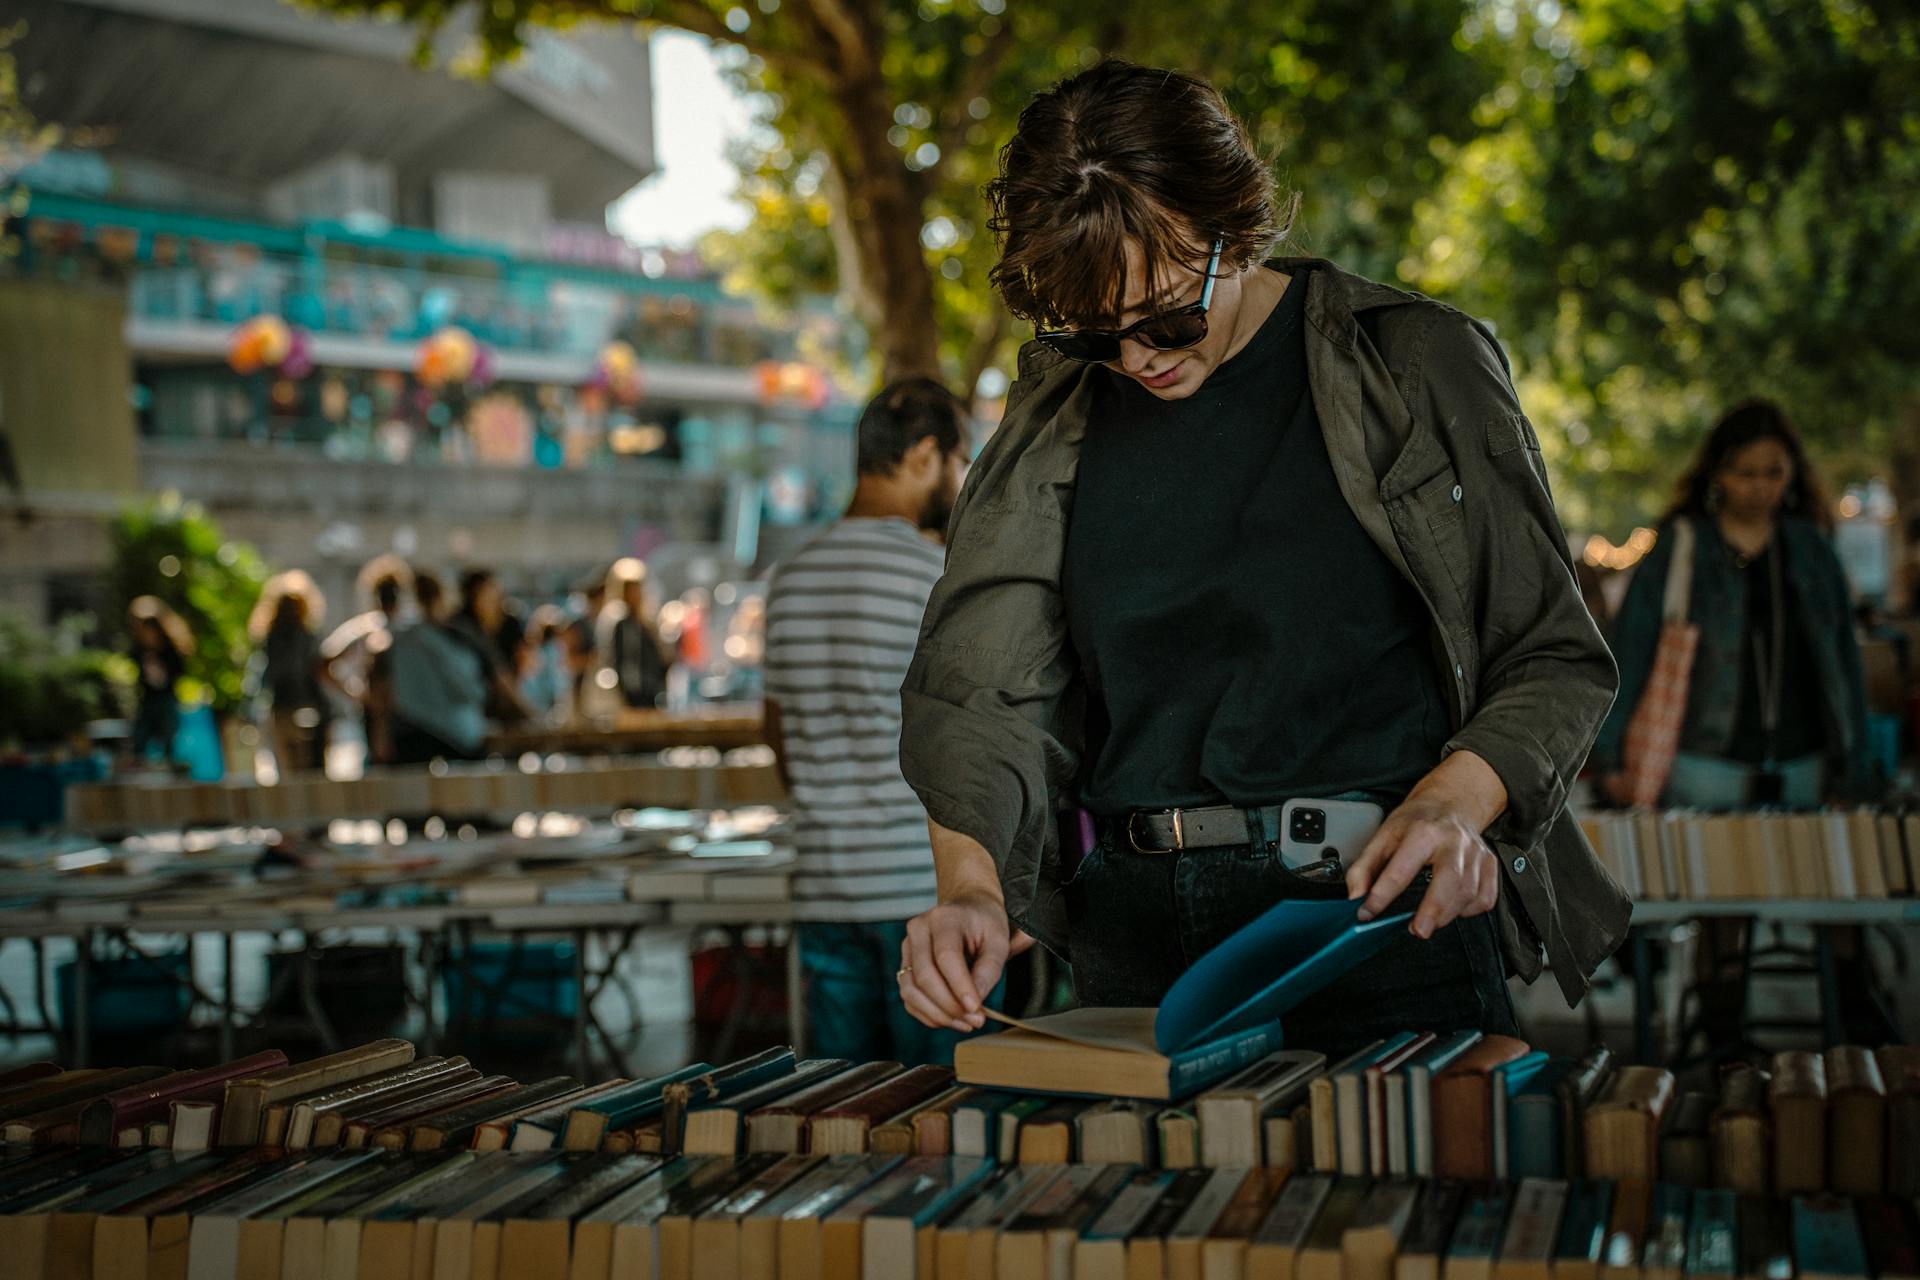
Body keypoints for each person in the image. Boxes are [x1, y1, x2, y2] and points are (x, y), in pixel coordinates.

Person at [894, 61, 1627, 1058]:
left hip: (1375, 919)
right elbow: (979, 687)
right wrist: (970, 889)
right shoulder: (1052, 414)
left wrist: (1452, 808)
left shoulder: (1416, 361)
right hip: (1134, 937)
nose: (1141, 357)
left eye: (1168, 315)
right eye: (1099, 335)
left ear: (1239, 225)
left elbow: (1552, 653)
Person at [764, 378, 991, 1066]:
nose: (961, 481)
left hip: (823, 887)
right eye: (959, 462)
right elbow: (966, 738)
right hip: (921, 894)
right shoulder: (935, 574)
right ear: (924, 455)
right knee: (942, 1111)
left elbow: (776, 733)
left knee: (843, 1110)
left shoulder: (791, 576)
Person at [1595, 401, 1879, 808]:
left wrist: (1855, 769)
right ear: (1717, 473)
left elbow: (1844, 661)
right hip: (1701, 768)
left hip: (1803, 767)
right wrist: (1609, 756)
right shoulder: (1684, 545)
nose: (1760, 486)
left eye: (1773, 472)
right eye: (1745, 473)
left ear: (1792, 473)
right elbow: (1630, 649)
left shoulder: (1812, 548)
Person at [385, 570, 488, 763]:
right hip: (452, 737)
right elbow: (468, 688)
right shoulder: (448, 638)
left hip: (414, 732)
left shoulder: (401, 640)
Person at [322, 555, 411, 766]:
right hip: (381, 715)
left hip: (407, 713)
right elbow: (324, 663)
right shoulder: (369, 628)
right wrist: (360, 695)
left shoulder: (406, 628)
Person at [251, 571, 334, 775]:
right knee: (309, 771)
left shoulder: (273, 638)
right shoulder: (304, 636)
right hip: (302, 706)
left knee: (290, 770)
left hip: (286, 707)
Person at [598, 559, 672, 712]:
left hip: (652, 691)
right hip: (632, 695)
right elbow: (620, 662)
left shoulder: (646, 621)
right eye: (630, 589)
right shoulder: (619, 622)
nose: (634, 593)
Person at [127, 596, 193, 766]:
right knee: (140, 734)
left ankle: (171, 766)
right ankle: (139, 765)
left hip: (166, 698)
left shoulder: (170, 650)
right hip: (148, 698)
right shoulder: (139, 650)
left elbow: (179, 672)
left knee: (168, 734)